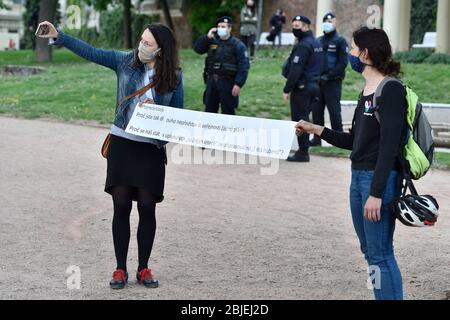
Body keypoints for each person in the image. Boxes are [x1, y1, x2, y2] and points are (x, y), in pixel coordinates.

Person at [36, 21, 184, 290]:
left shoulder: (173, 75)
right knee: (121, 206)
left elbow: (177, 117)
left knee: (147, 207)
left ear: (161, 50)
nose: (141, 46)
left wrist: (157, 115)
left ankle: (143, 268)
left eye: (148, 43)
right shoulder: (125, 61)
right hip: (122, 144)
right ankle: (119, 269)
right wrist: (60, 36)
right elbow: (92, 52)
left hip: (150, 149)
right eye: (141, 40)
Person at [295, 27, 406, 300]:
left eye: (353, 49)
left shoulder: (390, 89)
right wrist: (315, 129)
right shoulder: (366, 91)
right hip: (358, 178)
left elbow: (389, 147)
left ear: (365, 54)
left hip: (377, 182)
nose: (349, 54)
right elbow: (353, 141)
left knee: (380, 253)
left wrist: (377, 193)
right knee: (369, 251)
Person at [282, 15, 322, 162]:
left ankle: (303, 151)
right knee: (304, 116)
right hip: (314, 85)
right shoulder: (316, 42)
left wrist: (287, 89)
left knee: (300, 119)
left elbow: (296, 70)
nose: (295, 28)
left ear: (306, 26)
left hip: (302, 88)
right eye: (293, 25)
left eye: (298, 25)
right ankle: (304, 149)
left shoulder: (304, 45)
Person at [194, 16, 250, 116]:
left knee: (228, 112)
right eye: (219, 26)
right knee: (209, 112)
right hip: (212, 82)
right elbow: (198, 49)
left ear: (229, 28)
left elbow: (244, 66)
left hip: (228, 83)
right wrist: (207, 37)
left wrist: (238, 84)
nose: (220, 28)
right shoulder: (212, 41)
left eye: (223, 26)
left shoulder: (238, 45)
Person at [310, 12, 348, 147]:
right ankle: (316, 139)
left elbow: (343, 63)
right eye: (326, 20)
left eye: (331, 20)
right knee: (316, 110)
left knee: (334, 111)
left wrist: (329, 76)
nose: (328, 22)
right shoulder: (318, 41)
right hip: (318, 82)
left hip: (333, 82)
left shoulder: (340, 41)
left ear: (335, 22)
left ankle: (339, 140)